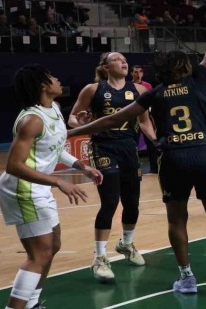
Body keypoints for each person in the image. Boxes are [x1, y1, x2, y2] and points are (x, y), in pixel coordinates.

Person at [67, 0, 206, 296]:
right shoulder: (200, 80)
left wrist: (71, 132)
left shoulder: (154, 94)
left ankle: (187, 278)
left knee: (177, 220)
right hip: (205, 153)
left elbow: (113, 119)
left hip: (174, 157)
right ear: (184, 67)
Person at [0, 65, 103, 309]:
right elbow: (13, 165)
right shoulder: (31, 120)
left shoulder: (53, 108)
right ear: (43, 86)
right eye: (52, 77)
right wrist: (58, 181)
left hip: (38, 186)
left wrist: (82, 167)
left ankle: (32, 303)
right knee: (39, 254)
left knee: (53, 246)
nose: (58, 79)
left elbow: (55, 147)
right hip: (22, 188)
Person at [68, 52, 157, 283]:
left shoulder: (139, 90)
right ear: (105, 67)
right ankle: (99, 257)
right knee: (109, 202)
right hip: (103, 148)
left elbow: (144, 121)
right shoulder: (92, 89)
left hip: (129, 148)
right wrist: (81, 123)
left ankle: (126, 243)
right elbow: (73, 118)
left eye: (124, 59)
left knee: (132, 203)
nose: (123, 61)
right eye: (117, 59)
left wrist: (157, 143)